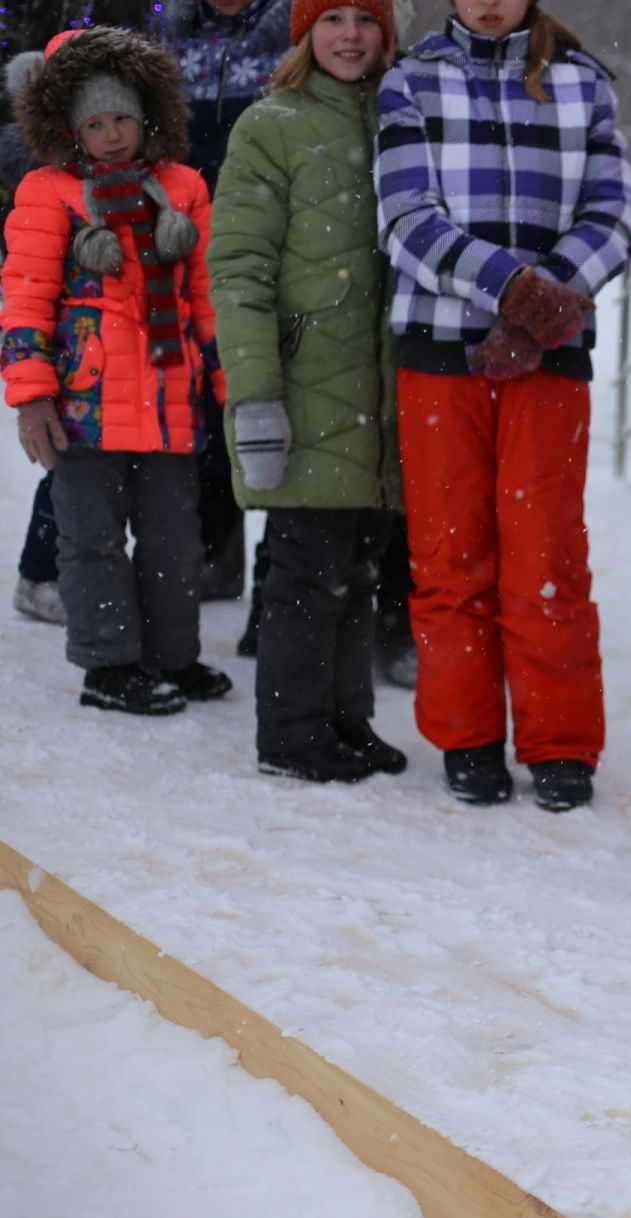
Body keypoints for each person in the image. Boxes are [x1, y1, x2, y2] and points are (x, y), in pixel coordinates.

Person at [373, 0, 631, 811]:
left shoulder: (581, 80)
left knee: (546, 555)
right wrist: (513, 288)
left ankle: (560, 741)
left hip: (549, 362)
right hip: (439, 352)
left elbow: (614, 215)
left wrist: (545, 308)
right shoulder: (410, 81)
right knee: (452, 555)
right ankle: (468, 735)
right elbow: (406, 219)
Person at [3, 25, 231, 714]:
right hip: (83, 408)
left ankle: (171, 657)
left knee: (175, 545)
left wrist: (227, 384)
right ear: (72, 128)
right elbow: (24, 299)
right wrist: (31, 394)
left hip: (169, 405)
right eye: (95, 123)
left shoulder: (185, 189)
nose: (110, 136)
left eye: (122, 120)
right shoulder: (49, 195)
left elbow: (207, 298)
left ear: (146, 117)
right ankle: (108, 667)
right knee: (91, 542)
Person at [208, 0, 406, 782]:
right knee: (304, 570)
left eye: (366, 17)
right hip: (301, 385)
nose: (350, 34)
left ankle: (346, 720)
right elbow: (239, 270)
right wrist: (256, 393)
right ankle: (291, 735)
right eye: (332, 19)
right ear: (303, 33)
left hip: (380, 389)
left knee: (360, 566)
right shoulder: (270, 125)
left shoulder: (401, 119)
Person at [152, 0, 296, 606]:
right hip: (180, 247)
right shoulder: (166, 37)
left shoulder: (296, 34)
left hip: (274, 245)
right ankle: (215, 551)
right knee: (204, 405)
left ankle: (281, 572)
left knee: (282, 401)